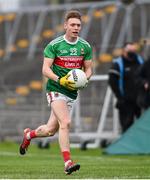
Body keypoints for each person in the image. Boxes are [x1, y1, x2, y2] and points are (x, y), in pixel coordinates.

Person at [19, 10, 92, 175]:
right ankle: (68, 163)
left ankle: (29, 135)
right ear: (65, 25)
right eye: (72, 24)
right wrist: (60, 80)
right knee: (65, 123)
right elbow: (45, 69)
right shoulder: (54, 45)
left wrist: (84, 79)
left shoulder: (85, 46)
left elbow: (88, 70)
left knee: (51, 130)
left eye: (78, 25)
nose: (76, 28)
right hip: (56, 89)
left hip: (71, 93)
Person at [108, 42, 144, 133]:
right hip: (125, 101)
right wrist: (120, 97)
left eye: (133, 50)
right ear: (124, 51)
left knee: (143, 127)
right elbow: (112, 82)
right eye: (129, 50)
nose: (132, 52)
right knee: (127, 127)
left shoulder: (140, 61)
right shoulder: (118, 64)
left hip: (140, 101)